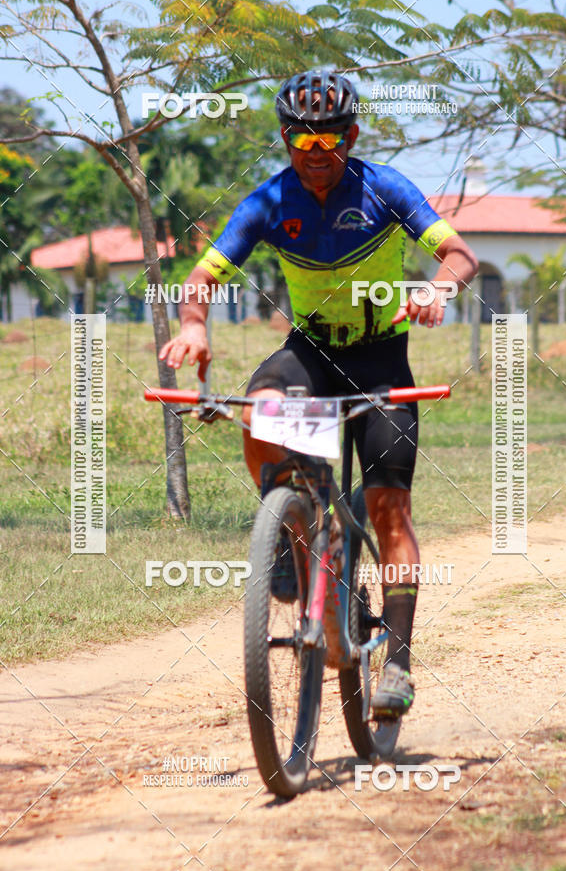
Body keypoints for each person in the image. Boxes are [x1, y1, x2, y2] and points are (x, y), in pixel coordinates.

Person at [159, 69, 479, 720]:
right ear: (285, 141)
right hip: (312, 355)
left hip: (383, 362)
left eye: (329, 143)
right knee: (259, 408)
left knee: (390, 509)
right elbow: (203, 275)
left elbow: (459, 254)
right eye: (302, 145)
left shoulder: (384, 188)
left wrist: (439, 289)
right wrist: (194, 322)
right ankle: (291, 529)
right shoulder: (271, 202)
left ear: (351, 135)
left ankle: (397, 662)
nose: (317, 157)